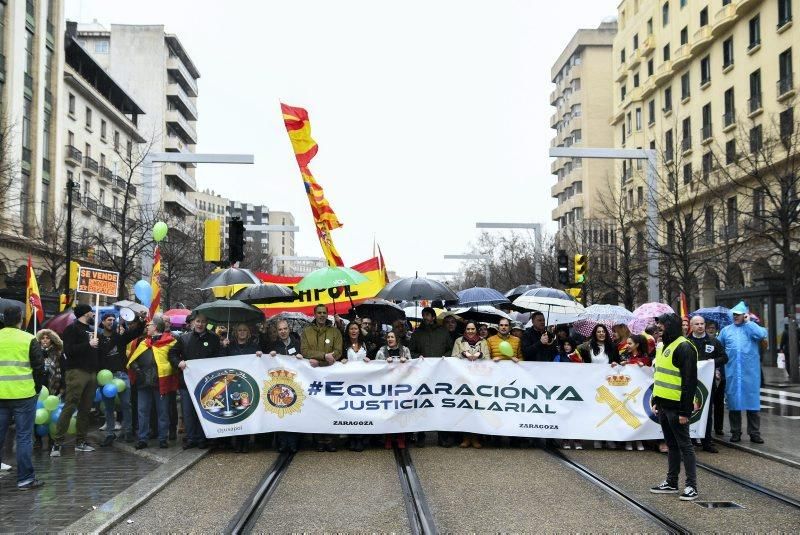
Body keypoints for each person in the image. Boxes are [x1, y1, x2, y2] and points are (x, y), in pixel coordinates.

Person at [650, 313, 700, 501]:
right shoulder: (662, 346)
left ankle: (691, 486)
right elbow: (660, 375)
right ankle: (671, 482)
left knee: (685, 445)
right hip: (664, 405)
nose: (659, 328)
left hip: (677, 407)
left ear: (671, 325)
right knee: (672, 445)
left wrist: (684, 412)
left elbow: (689, 382)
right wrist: (656, 399)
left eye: (662, 324)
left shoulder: (684, 347)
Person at [0, 306, 45, 489]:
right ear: (20, 319)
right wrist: (36, 388)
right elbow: (39, 368)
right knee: (24, 437)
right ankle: (25, 479)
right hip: (24, 394)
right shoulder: (28, 339)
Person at [52, 304, 99, 457]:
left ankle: (81, 441)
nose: (93, 314)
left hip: (91, 372)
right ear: (85, 313)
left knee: (85, 408)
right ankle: (57, 442)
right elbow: (69, 351)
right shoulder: (72, 329)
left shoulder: (92, 330)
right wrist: (88, 344)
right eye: (91, 311)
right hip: (77, 372)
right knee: (70, 405)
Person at [717, 302, 768, 444]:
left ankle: (754, 433)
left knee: (753, 405)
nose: (735, 317)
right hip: (732, 372)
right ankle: (735, 432)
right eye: (734, 314)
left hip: (750, 374)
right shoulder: (726, 331)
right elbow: (718, 347)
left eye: (738, 315)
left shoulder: (752, 329)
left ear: (744, 315)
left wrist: (749, 322)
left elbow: (762, 334)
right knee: (734, 404)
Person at [168, 313, 220, 449]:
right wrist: (178, 362)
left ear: (206, 323)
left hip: (206, 383)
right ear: (192, 323)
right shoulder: (183, 338)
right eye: (198, 321)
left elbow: (219, 358)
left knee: (203, 411)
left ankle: (202, 438)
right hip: (187, 383)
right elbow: (172, 353)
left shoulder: (214, 339)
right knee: (188, 412)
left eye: (203, 321)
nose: (200, 324)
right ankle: (191, 438)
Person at [128, 315, 178, 449]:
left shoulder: (171, 342)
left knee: (163, 412)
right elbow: (133, 360)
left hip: (161, 382)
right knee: (142, 411)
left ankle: (163, 438)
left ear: (155, 327)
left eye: (149, 325)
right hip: (143, 383)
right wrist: (137, 370)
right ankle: (142, 439)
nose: (147, 327)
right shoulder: (144, 343)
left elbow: (174, 361)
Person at [409, 307, 454, 448]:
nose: (425, 317)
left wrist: (444, 358)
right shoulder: (417, 333)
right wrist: (418, 357)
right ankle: (421, 434)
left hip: (441, 373)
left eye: (428, 315)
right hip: (423, 374)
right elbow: (412, 350)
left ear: (433, 317)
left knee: (440, 403)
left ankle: (442, 436)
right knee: (422, 403)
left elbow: (450, 348)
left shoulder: (443, 332)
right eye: (423, 315)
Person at [300, 304, 343, 452]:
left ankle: (331, 439)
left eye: (324, 312)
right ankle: (318, 439)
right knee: (316, 406)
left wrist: (320, 361)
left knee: (331, 406)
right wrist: (324, 356)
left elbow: (338, 351)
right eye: (319, 313)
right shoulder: (306, 332)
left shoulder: (335, 332)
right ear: (315, 314)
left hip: (331, 375)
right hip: (313, 377)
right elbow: (305, 351)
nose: (322, 315)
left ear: (327, 314)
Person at [98, 312, 144, 446]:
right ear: (103, 322)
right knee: (108, 407)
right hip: (105, 377)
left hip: (121, 375)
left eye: (113, 320)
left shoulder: (120, 337)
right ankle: (110, 434)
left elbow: (135, 332)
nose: (111, 322)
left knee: (126, 404)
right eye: (108, 320)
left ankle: (128, 431)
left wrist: (141, 320)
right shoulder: (98, 338)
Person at [686, 315, 727, 452]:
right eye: (697, 324)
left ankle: (707, 441)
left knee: (707, 411)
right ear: (691, 326)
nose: (700, 326)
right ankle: (690, 440)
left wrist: (712, 363)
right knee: (690, 410)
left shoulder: (713, 342)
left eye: (702, 323)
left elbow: (724, 357)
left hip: (707, 383)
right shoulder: (686, 342)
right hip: (689, 383)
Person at [575, 324, 620, 449]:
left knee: (608, 411)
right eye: (599, 331)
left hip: (608, 384)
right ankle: (597, 438)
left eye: (603, 331)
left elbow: (618, 362)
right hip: (593, 384)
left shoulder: (612, 347)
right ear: (595, 334)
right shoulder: (587, 347)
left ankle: (609, 438)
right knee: (596, 411)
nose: (601, 334)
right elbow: (576, 353)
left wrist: (616, 363)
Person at [451, 321, 488, 449]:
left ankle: (475, 437)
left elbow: (488, 358)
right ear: (465, 329)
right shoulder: (458, 341)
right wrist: (463, 354)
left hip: (478, 379)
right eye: (468, 329)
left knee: (477, 408)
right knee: (465, 408)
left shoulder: (483, 342)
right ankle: (466, 438)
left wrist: (480, 354)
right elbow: (453, 358)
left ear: (476, 330)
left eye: (473, 329)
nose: (471, 331)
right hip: (464, 379)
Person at [374, 331, 411, 449]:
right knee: (388, 411)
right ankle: (389, 437)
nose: (390, 339)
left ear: (397, 339)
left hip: (401, 385)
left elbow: (413, 365)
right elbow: (376, 367)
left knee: (400, 411)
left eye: (392, 337)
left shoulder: (405, 350)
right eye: (388, 337)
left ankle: (400, 437)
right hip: (387, 386)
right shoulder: (381, 351)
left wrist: (407, 361)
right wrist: (384, 363)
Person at [621, 334, 651, 452]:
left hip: (640, 391)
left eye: (630, 343)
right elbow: (618, 370)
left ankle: (639, 439)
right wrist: (618, 365)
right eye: (627, 343)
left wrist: (644, 367)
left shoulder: (645, 357)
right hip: (627, 390)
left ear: (637, 345)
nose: (627, 346)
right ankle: (629, 439)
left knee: (638, 413)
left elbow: (650, 372)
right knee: (628, 412)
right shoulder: (624, 355)